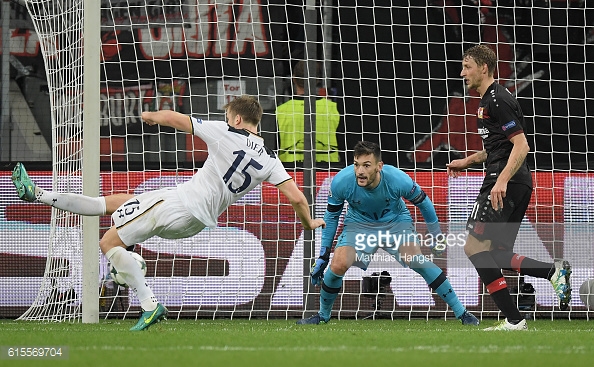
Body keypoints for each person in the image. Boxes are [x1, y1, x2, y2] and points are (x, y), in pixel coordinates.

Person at [11, 95, 325, 331]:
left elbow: (180, 120)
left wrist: (150, 115)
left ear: (239, 120)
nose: (227, 120)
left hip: (180, 204)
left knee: (108, 243)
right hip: (194, 220)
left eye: (229, 116)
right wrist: (309, 221)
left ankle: (148, 302)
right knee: (119, 201)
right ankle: (38, 194)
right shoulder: (270, 159)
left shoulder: (226, 133)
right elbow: (297, 198)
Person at [447, 44, 571, 331]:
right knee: (497, 253)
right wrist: (468, 161)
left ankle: (515, 319)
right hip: (514, 182)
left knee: (474, 248)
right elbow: (499, 148)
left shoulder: (497, 100)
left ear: (484, 68)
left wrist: (500, 180)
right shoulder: (487, 101)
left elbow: (522, 145)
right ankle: (552, 272)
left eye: (467, 66)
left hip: (505, 183)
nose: (462, 72)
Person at [297, 140, 479, 326]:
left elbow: (424, 203)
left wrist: (436, 235)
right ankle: (322, 315)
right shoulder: (341, 182)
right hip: (359, 224)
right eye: (356, 165)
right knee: (338, 264)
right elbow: (332, 218)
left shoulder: (397, 179)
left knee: (416, 260)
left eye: (366, 165)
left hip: (395, 222)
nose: (360, 171)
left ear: (379, 166)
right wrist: (323, 255)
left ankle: (462, 313)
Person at [276, 60, 340, 163]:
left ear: (294, 78)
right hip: (328, 172)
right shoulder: (334, 109)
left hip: (290, 172)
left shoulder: (280, 111)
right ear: (318, 80)